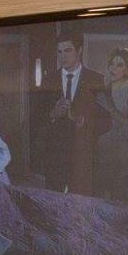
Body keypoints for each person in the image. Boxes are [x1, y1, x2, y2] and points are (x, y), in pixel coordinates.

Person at [35, 32, 105, 195]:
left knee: (82, 203)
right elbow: (36, 117)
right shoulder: (49, 80)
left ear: (79, 50)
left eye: (68, 50)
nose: (63, 56)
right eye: (59, 52)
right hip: (55, 154)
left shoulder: (96, 79)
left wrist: (83, 121)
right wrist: (53, 114)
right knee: (54, 202)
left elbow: (105, 120)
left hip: (83, 155)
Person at [95, 47, 128, 196]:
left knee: (119, 195)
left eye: (119, 65)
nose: (113, 69)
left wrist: (109, 108)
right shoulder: (103, 89)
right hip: (102, 148)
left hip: (123, 151)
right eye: (111, 64)